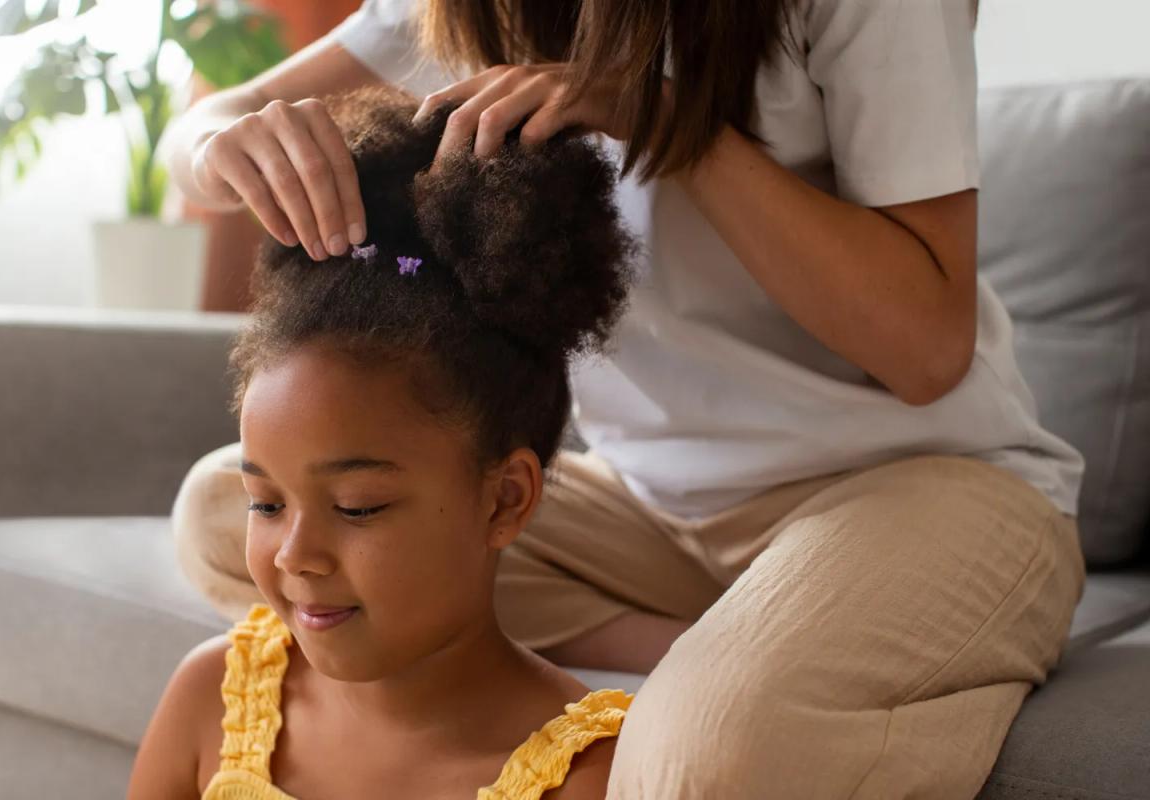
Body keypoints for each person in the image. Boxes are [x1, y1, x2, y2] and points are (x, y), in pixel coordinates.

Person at [163, 0, 1087, 796]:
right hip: (657, 513)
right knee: (225, 513)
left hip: (925, 485)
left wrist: (664, 119)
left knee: (707, 761)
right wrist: (221, 145)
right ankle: (711, 642)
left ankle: (760, 668)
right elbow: (211, 126)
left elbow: (925, 349)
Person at [130, 85, 638, 799]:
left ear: (505, 499)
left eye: (359, 506)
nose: (295, 556)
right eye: (265, 502)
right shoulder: (212, 699)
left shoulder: (588, 776)